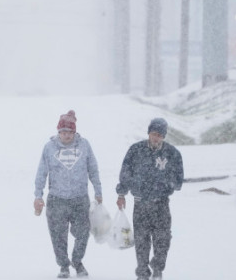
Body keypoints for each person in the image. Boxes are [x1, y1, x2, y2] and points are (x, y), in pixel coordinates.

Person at [34, 110, 103, 278]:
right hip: (57, 199)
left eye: (70, 132)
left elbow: (92, 168)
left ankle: (77, 261)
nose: (66, 135)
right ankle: (64, 265)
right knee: (58, 235)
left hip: (80, 199)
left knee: (83, 232)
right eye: (63, 132)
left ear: (74, 132)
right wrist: (38, 195)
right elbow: (41, 172)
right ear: (58, 132)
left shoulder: (84, 145)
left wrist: (98, 190)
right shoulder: (49, 147)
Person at [115, 118, 184, 280]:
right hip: (140, 203)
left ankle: (158, 268)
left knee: (163, 239)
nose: (156, 137)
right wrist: (121, 194)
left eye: (160, 135)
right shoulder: (135, 150)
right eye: (153, 133)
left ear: (164, 136)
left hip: (161, 204)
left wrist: (165, 181)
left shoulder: (172, 153)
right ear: (149, 133)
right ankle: (142, 273)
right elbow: (125, 174)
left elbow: (179, 181)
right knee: (142, 240)